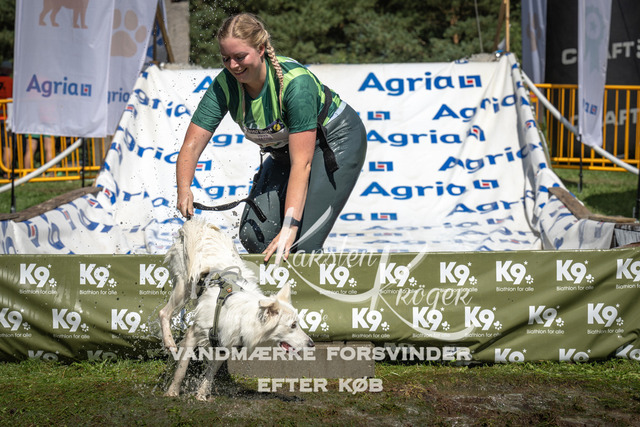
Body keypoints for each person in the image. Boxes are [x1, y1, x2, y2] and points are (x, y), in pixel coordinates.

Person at [176, 13, 367, 262]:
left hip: (335, 141)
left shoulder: (296, 85)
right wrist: (184, 189)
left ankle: (314, 284)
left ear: (261, 49)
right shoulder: (224, 85)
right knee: (256, 237)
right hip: (285, 153)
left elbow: (302, 163)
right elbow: (191, 145)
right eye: (225, 58)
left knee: (301, 242)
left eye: (240, 57)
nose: (233, 66)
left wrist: (289, 226)